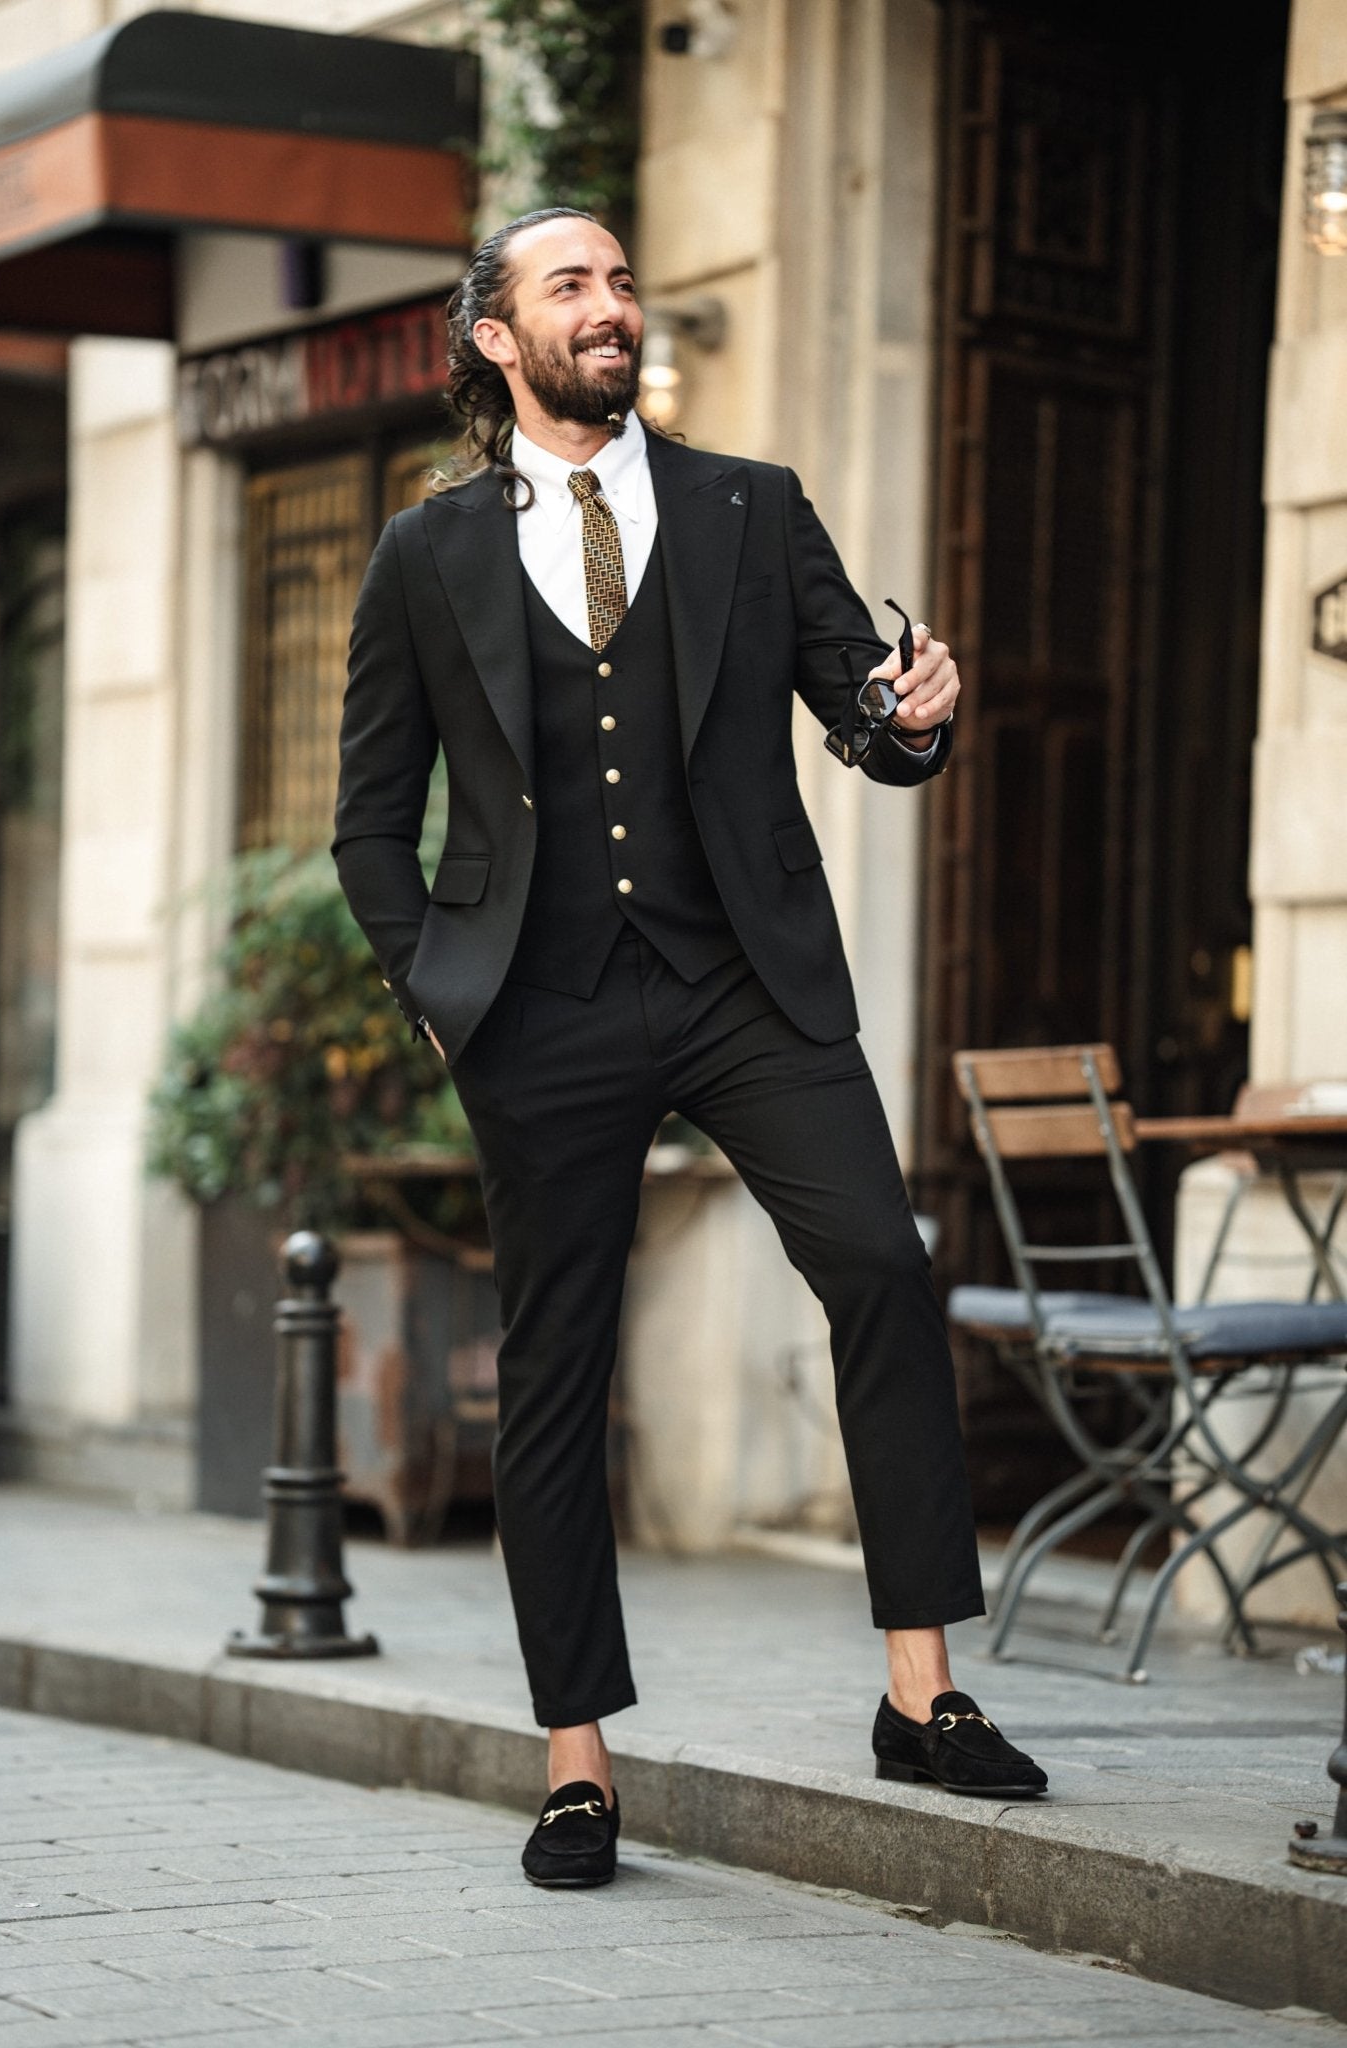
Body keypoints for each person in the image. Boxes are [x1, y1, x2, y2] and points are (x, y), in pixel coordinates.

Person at [333, 206, 1046, 1890]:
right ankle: (578, 1764)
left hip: (747, 980)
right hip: (544, 1008)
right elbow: (371, 824)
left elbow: (858, 720)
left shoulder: (751, 504)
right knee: (558, 1372)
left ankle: (921, 1690)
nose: (612, 304)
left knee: (882, 1263)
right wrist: (445, 997)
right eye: (570, 285)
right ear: (498, 339)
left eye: (621, 280)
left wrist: (910, 718)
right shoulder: (423, 553)